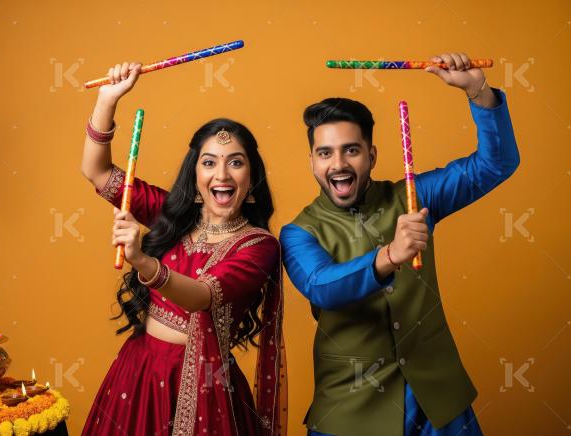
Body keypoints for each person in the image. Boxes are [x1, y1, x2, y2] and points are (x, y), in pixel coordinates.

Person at [280, 52, 520, 435]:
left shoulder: (413, 196)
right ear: (312, 162)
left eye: (351, 150)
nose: (338, 164)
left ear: (371, 155)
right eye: (325, 153)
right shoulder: (298, 233)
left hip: (439, 405)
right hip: (350, 414)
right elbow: (321, 286)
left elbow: (495, 165)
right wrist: (389, 256)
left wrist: (478, 91)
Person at [79, 62, 286, 435]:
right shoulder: (172, 215)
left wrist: (143, 261)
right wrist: (107, 100)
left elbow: (202, 296)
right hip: (139, 375)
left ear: (251, 178)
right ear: (195, 175)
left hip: (208, 387)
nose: (221, 174)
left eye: (235, 163)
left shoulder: (258, 245)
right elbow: (97, 171)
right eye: (209, 162)